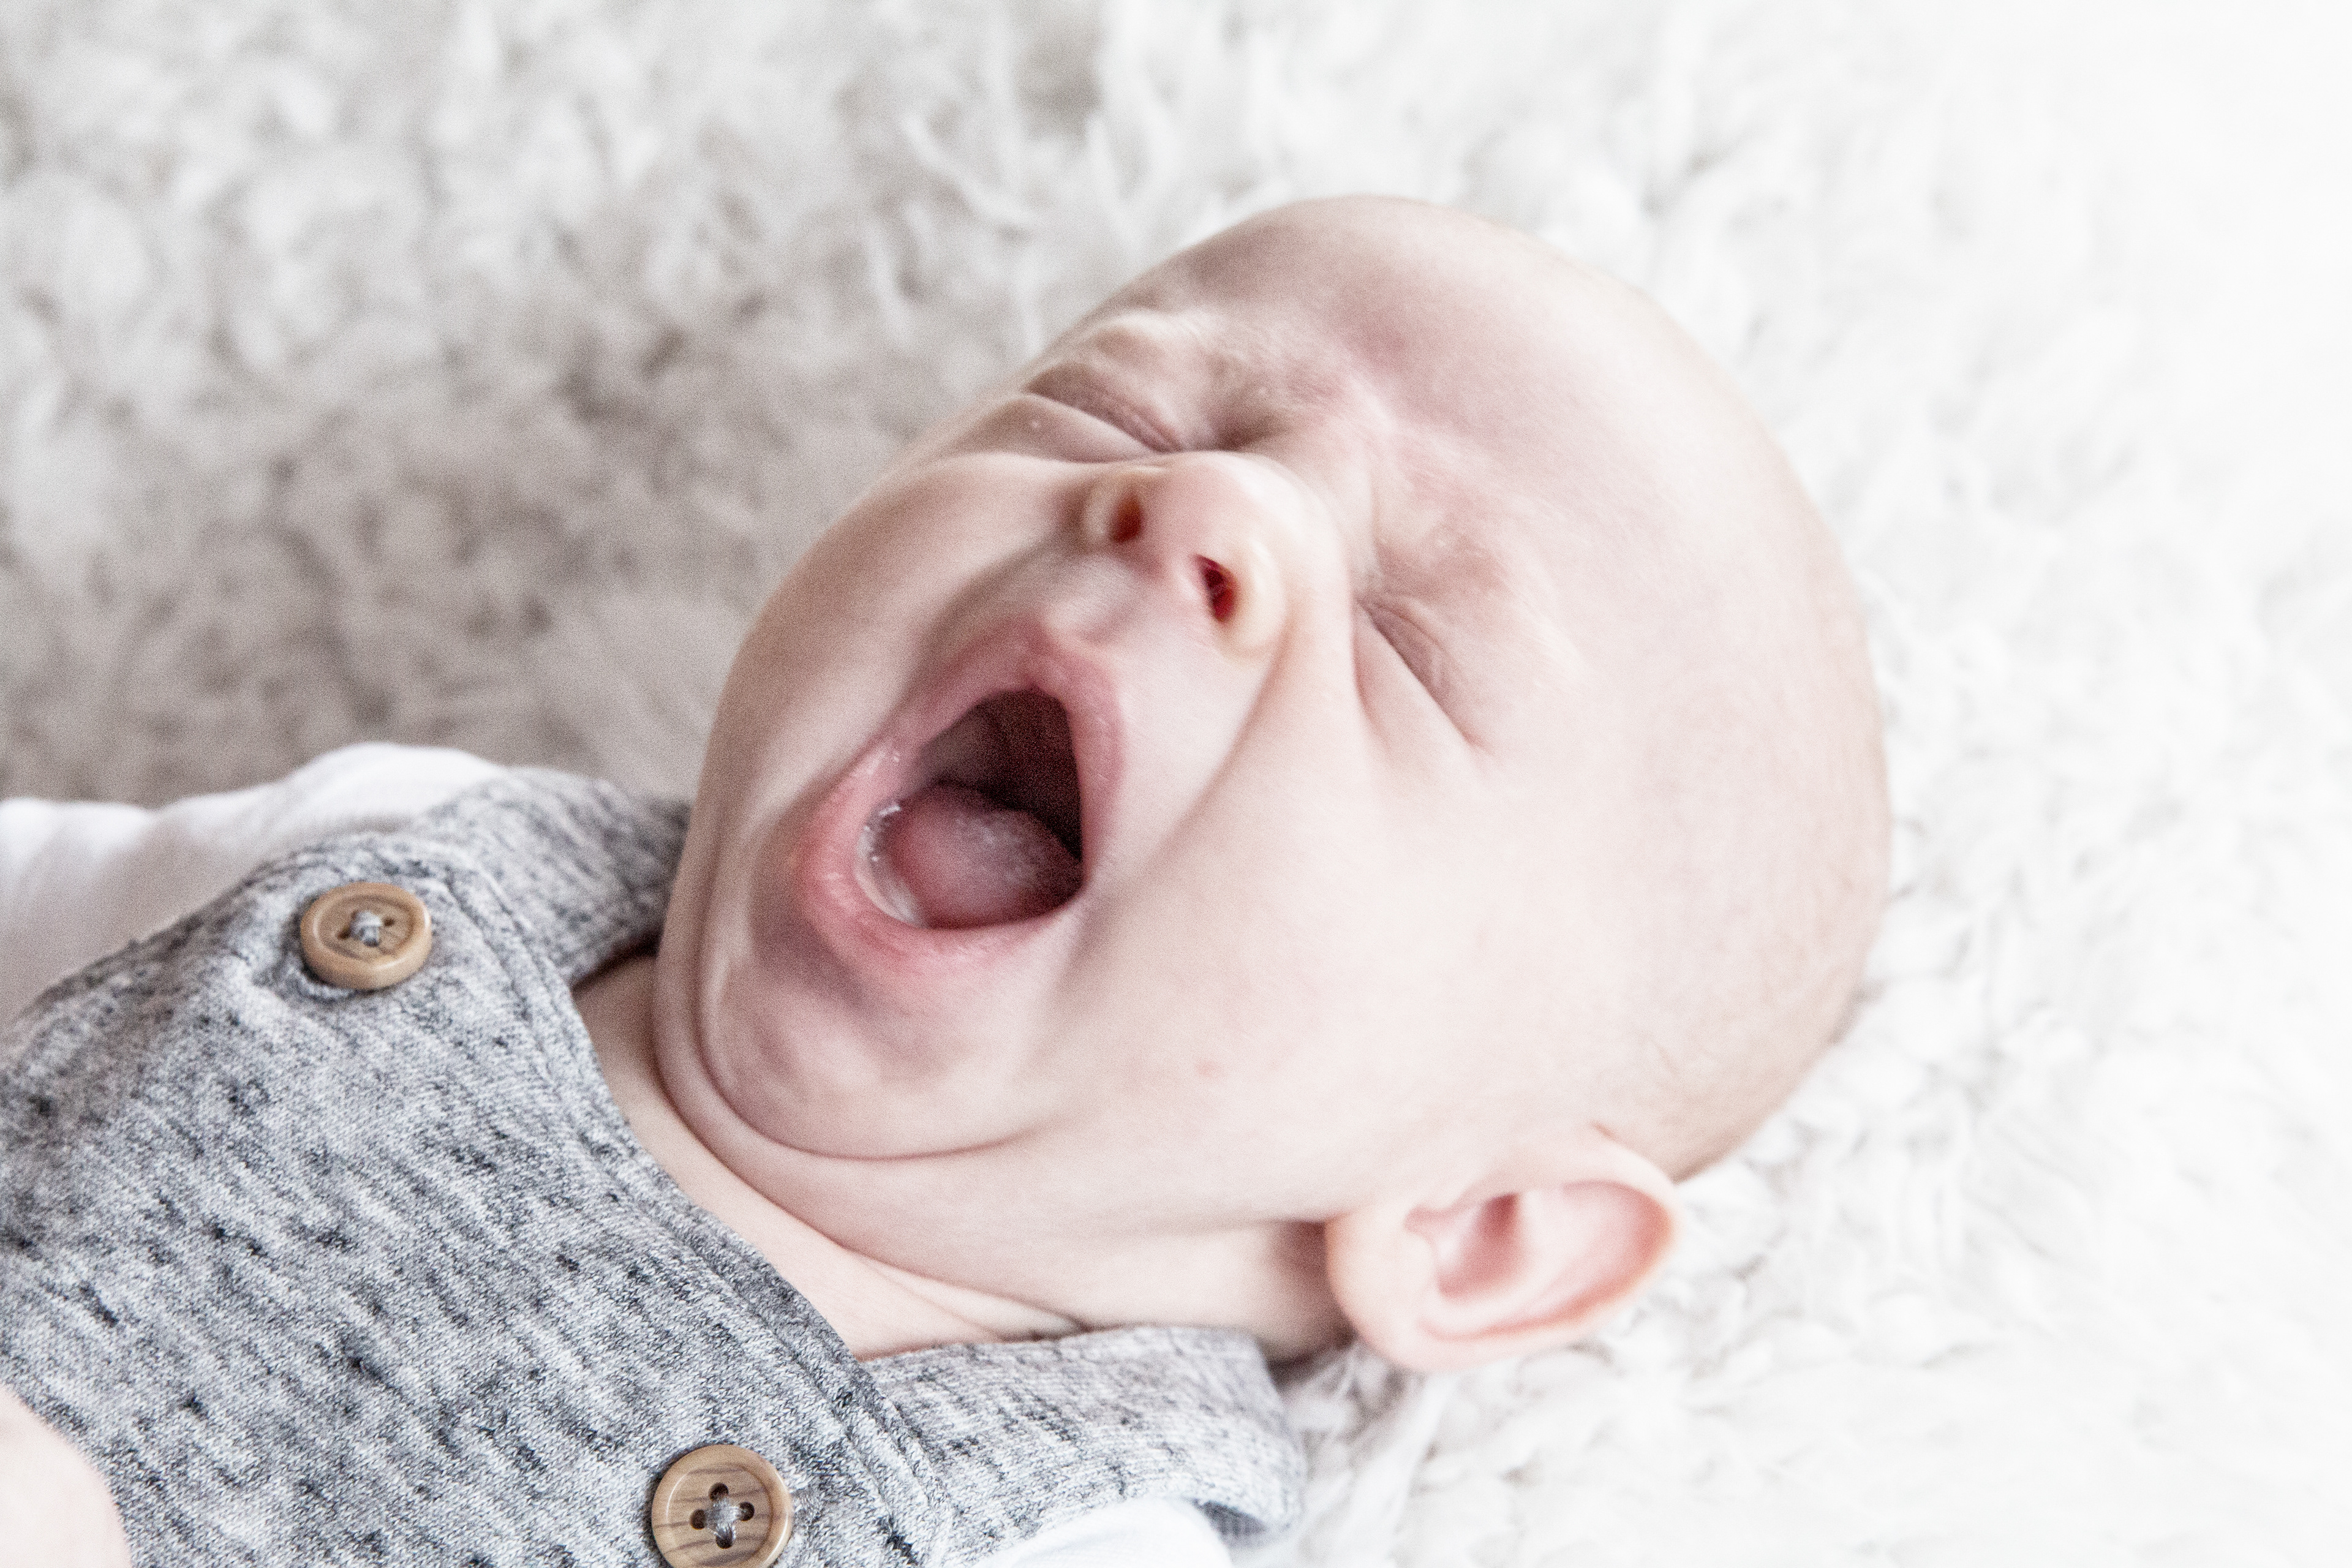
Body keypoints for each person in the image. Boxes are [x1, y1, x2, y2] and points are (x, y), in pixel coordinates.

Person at [0, 196, 1888, 1567]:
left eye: (1407, 642)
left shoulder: (1078, 1532)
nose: (1201, 502)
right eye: (1124, 410)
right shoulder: (404, 856)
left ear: (1477, 1230)